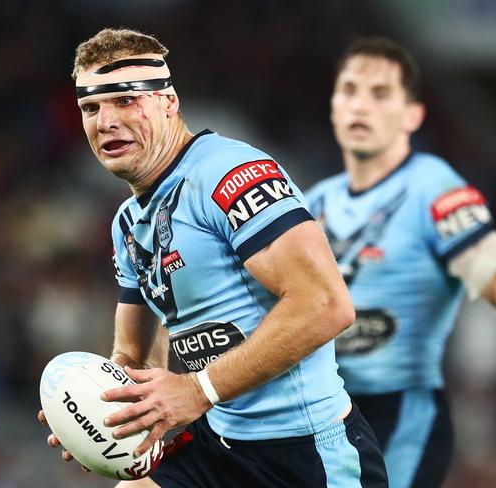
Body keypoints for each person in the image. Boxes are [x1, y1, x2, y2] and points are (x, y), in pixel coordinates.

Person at [38, 28, 389, 487]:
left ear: (168, 101)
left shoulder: (232, 175)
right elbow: (136, 361)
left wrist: (196, 390)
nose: (104, 121)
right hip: (217, 448)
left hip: (306, 456)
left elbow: (326, 304)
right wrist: (103, 419)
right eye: (90, 108)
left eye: (124, 100)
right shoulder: (127, 222)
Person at [305, 36, 496, 488]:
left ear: (413, 115)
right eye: (349, 90)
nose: (360, 105)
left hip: (398, 416)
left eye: (380, 94)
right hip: (320, 414)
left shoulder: (435, 189)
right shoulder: (314, 200)